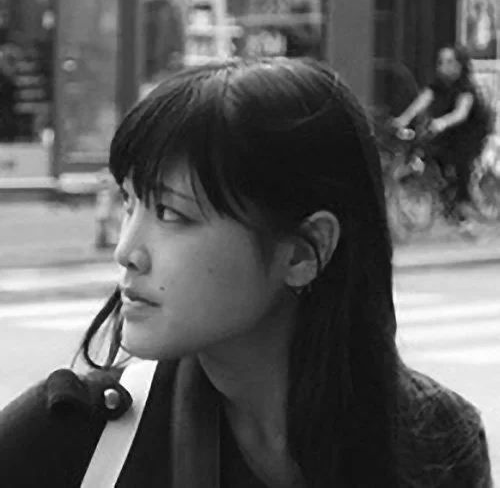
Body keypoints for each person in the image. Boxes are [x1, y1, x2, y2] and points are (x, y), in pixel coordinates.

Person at [0, 57, 492, 487]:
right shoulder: (67, 439)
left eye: (171, 213)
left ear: (303, 253)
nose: (127, 251)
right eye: (130, 203)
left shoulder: (435, 441)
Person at [392, 45, 495, 224]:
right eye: (440, 62)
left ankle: (463, 206)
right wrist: (403, 119)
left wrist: (443, 122)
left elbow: (461, 113)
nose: (443, 66)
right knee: (427, 151)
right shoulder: (437, 85)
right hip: (446, 133)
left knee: (461, 165)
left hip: (469, 134)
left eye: (449, 62)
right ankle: (443, 198)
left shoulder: (465, 87)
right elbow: (421, 102)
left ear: (460, 65)